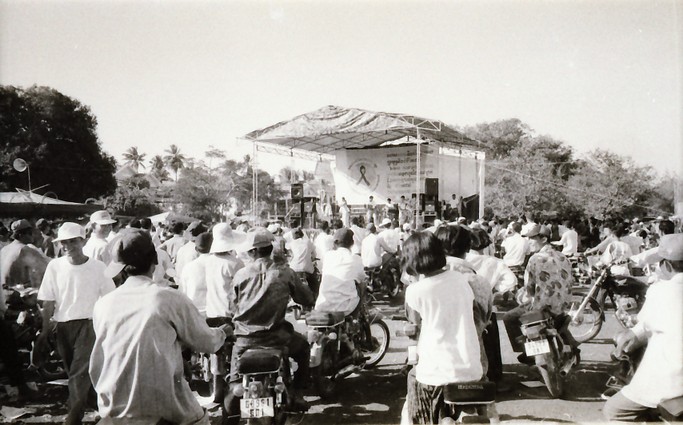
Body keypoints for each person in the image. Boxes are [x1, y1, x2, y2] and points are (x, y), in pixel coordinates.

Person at [90, 228, 228, 424]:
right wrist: (223, 333)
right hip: (163, 408)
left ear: (119, 268)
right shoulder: (168, 298)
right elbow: (207, 342)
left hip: (113, 408)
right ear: (155, 260)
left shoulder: (103, 304)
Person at [225, 229, 315, 423]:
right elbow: (306, 298)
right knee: (304, 349)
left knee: (234, 384)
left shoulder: (240, 275)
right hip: (277, 338)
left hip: (245, 341)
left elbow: (232, 307)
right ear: (269, 249)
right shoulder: (285, 272)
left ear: (252, 252)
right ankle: (298, 394)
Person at [37, 222, 116, 425]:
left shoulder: (98, 267)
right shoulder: (55, 266)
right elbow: (48, 300)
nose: (68, 246)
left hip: (89, 325)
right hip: (63, 326)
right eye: (64, 242)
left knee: (78, 375)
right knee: (75, 372)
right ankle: (104, 409)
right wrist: (45, 330)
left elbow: (110, 298)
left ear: (83, 241)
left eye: (73, 241)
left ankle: (73, 418)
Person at [401, 231, 483, 424]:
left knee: (412, 377)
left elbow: (414, 323)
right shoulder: (461, 280)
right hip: (471, 368)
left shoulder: (415, 291)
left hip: (435, 373)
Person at [603, 233, 683, 421]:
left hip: (673, 381)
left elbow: (641, 329)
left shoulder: (661, 290)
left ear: (666, 265)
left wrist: (620, 346)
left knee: (615, 411)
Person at [502, 224, 579, 363]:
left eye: (532, 239)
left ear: (543, 239)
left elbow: (529, 288)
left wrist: (524, 296)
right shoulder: (563, 257)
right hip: (563, 305)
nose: (529, 242)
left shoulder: (535, 259)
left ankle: (526, 351)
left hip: (543, 307)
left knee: (509, 318)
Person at [315, 228, 365, 316]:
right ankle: (355, 318)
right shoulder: (355, 258)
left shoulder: (328, 256)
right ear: (352, 243)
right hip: (344, 308)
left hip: (322, 305)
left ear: (335, 243)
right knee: (362, 285)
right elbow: (361, 278)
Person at [0, 219, 49, 289]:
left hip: (4, 292)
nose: (33, 235)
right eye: (30, 233)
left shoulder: (4, 249)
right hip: (18, 293)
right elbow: (46, 268)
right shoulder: (24, 250)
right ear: (20, 235)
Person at [179, 232, 213, 315]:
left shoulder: (188, 267)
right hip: (216, 312)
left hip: (195, 312)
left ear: (196, 249)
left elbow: (183, 292)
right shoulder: (220, 264)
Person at [287, 227, 318, 296]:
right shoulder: (308, 242)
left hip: (294, 268)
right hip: (307, 269)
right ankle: (315, 297)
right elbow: (314, 253)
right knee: (315, 285)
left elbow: (290, 255)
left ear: (296, 235)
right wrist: (313, 257)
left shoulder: (291, 243)